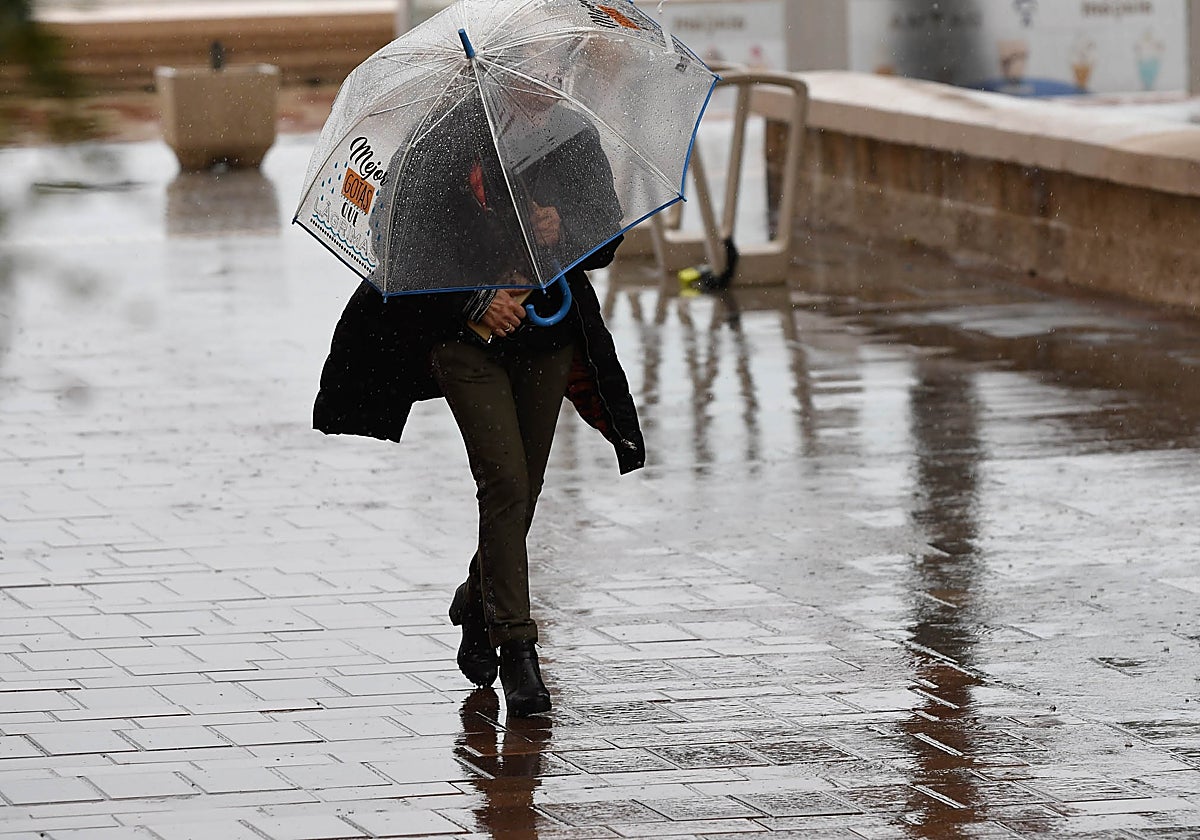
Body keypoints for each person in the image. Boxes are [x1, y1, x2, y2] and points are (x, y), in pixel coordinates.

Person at [312, 71, 645, 717]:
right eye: (536, 69)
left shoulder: (572, 136)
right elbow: (395, 242)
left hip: (546, 334)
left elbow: (605, 234)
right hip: (462, 337)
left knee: (527, 487)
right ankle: (519, 649)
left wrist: (562, 229)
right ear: (502, 72)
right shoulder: (444, 134)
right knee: (505, 484)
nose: (549, 82)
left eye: (559, 70)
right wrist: (473, 300)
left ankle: (477, 600)